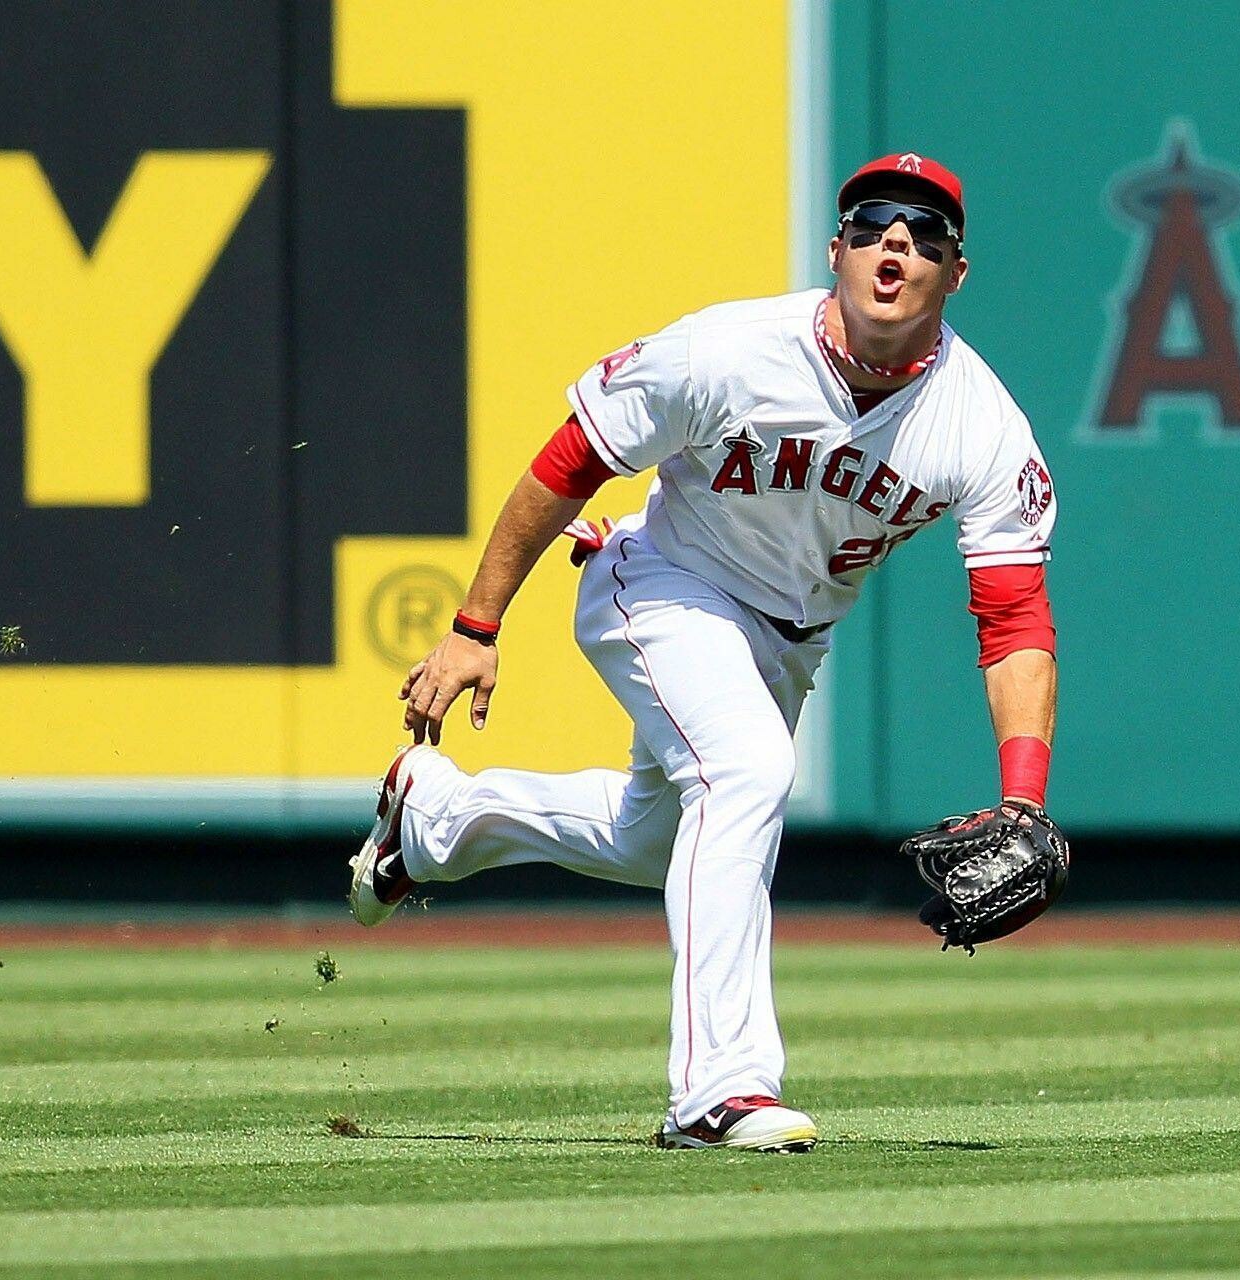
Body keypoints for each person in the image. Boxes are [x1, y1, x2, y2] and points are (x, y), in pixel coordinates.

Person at [348, 153, 1058, 1152]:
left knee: (656, 838)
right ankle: (717, 1088)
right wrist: (475, 624)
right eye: (870, 222)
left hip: (787, 641)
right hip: (662, 584)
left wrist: (1023, 795)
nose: (894, 240)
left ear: (953, 271)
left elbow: (1013, 615)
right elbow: (571, 457)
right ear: (837, 250)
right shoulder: (727, 351)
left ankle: (432, 817)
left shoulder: (978, 424)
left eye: (924, 230)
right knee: (746, 770)